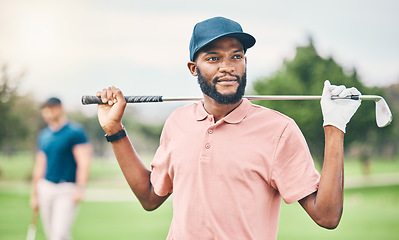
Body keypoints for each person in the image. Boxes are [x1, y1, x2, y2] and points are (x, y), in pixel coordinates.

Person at [95, 17, 361, 239]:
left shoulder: (279, 130)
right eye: (213, 58)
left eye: (236, 56)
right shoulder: (177, 122)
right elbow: (151, 198)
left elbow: (327, 216)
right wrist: (114, 128)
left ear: (245, 63)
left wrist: (334, 126)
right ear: (193, 68)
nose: (227, 67)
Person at [30, 97, 92, 240]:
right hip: (45, 188)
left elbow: (84, 162)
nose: (48, 114)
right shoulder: (44, 135)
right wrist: (34, 194)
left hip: (66, 189)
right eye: (45, 111)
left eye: (51, 109)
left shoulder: (75, 132)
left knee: (59, 235)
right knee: (52, 234)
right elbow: (40, 165)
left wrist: (80, 187)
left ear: (60, 108)